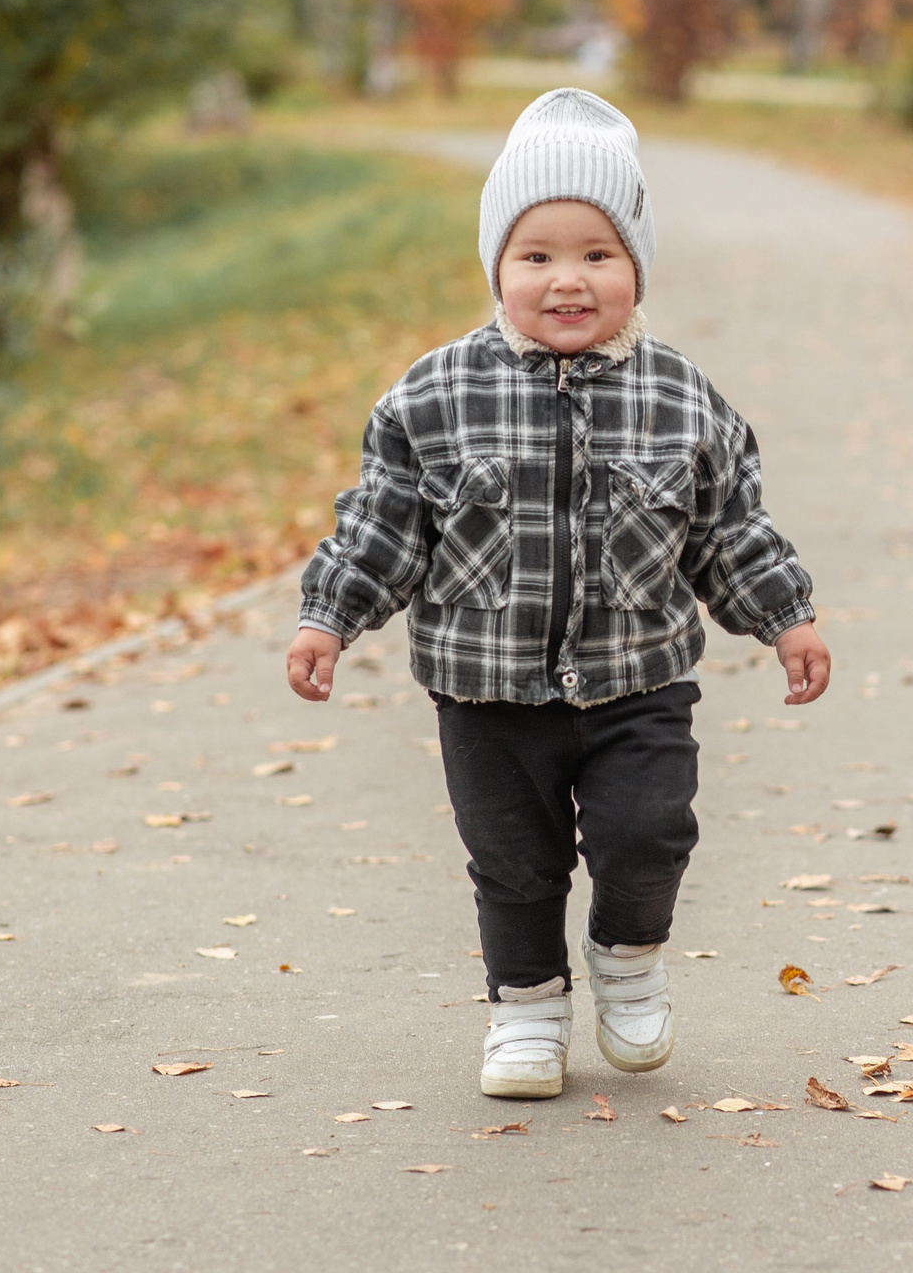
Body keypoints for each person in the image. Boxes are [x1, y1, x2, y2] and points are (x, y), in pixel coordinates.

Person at [285, 88, 831, 1100]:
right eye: (537, 255)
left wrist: (783, 615)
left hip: (638, 683)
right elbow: (382, 525)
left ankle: (628, 961)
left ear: (636, 268)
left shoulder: (682, 396)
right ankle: (527, 1012)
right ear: (498, 265)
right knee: (513, 866)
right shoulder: (432, 396)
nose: (567, 280)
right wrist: (330, 615)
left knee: (649, 831)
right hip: (486, 693)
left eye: (597, 254)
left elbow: (727, 527)